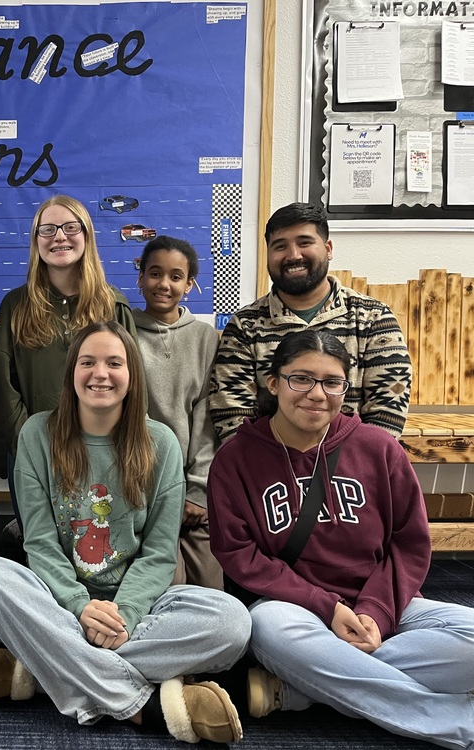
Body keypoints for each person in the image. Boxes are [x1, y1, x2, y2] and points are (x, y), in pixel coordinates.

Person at [0, 322, 249, 744]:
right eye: (88, 362)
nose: (101, 373)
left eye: (114, 363)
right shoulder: (36, 435)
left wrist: (126, 614)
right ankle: (144, 707)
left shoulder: (162, 444)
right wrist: (79, 606)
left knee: (233, 624)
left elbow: (157, 554)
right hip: (57, 602)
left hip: (133, 608)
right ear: (71, 373)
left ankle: (45, 668)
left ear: (132, 374)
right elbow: (39, 542)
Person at [207, 330, 474, 749]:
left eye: (332, 382)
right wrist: (325, 607)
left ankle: (304, 688)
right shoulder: (235, 460)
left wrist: (375, 613)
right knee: (265, 628)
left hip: (385, 605)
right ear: (273, 383)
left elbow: (410, 542)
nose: (317, 394)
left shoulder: (379, 448)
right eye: (302, 379)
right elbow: (240, 555)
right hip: (294, 610)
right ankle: (457, 723)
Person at [210, 202, 412, 442]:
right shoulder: (244, 326)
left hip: (352, 469)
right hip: (267, 469)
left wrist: (347, 468)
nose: (294, 255)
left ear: (328, 248)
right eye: (280, 246)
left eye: (304, 243)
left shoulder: (373, 319)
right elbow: (232, 418)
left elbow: (386, 415)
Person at [0, 195, 136, 529]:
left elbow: (130, 382)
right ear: (36, 241)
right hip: (32, 455)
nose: (59, 236)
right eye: (48, 229)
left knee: (97, 546)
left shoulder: (113, 305)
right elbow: (4, 386)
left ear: (86, 236)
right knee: (41, 549)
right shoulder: (15, 306)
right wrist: (31, 446)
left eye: (71, 227)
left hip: (102, 453)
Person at [131, 236, 221, 589]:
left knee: (211, 589)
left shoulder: (205, 338)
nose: (164, 285)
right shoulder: (122, 332)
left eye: (176, 276)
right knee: (166, 584)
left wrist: (197, 490)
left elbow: (207, 417)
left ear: (190, 283)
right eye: (155, 273)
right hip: (141, 486)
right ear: (140, 277)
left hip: (193, 489)